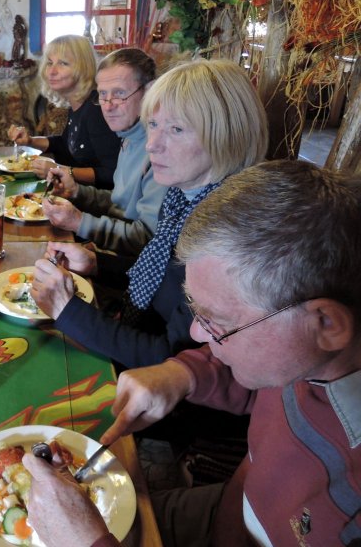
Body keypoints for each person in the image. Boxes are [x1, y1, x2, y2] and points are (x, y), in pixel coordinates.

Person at [23, 160, 361, 547]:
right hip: (228, 511)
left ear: (327, 324)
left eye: (219, 322)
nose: (197, 333)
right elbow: (266, 386)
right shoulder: (308, 357)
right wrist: (185, 374)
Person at [32, 60, 268, 370]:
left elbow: (170, 356)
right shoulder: (184, 197)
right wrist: (98, 264)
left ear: (226, 134)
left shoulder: (228, 233)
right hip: (131, 323)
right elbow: (162, 275)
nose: (154, 145)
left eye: (176, 129)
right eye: (153, 125)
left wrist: (68, 310)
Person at [38, 47, 167, 257]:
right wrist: (77, 192)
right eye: (103, 95)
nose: (107, 106)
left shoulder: (159, 151)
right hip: (108, 251)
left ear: (150, 91)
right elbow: (121, 204)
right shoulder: (128, 136)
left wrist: (79, 222)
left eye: (119, 94)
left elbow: (147, 239)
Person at [7, 35, 122, 189]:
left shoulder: (96, 110)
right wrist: (30, 141)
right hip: (72, 194)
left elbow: (111, 173)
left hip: (95, 204)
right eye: (49, 63)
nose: (52, 71)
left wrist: (60, 170)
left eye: (63, 63)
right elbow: (65, 143)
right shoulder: (77, 104)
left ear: (83, 67)